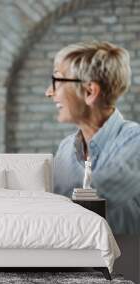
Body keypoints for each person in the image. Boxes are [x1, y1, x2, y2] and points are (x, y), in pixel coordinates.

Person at [45, 41, 140, 234]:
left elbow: (91, 200)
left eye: (57, 81)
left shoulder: (135, 141)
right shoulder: (66, 147)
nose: (49, 92)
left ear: (90, 92)